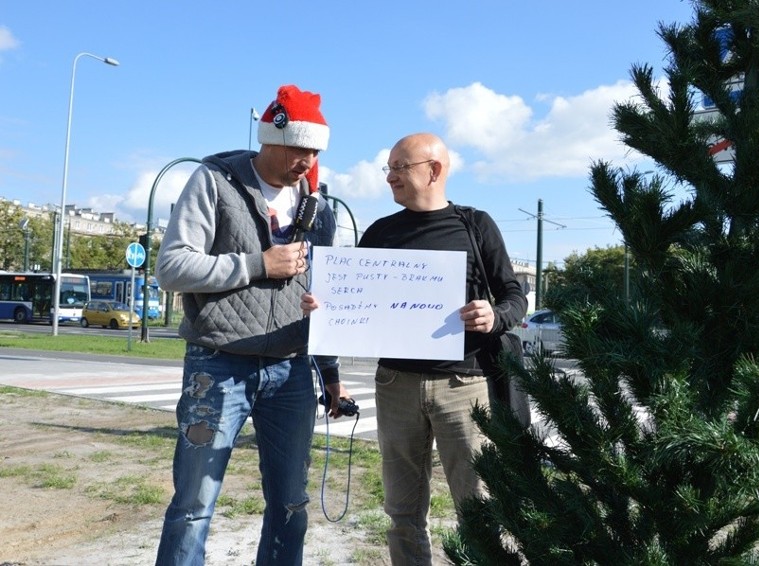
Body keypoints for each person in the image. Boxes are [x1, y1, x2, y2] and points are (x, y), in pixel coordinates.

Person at [302, 132, 527, 564]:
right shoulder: (381, 231)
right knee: (402, 511)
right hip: (395, 384)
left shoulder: (475, 225)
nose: (389, 178)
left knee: (480, 507)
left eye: (398, 168)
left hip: (465, 384)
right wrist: (325, 308)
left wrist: (494, 316)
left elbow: (515, 297)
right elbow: (354, 298)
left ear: (434, 170)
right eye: (387, 169)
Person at [154, 84, 349, 566]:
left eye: (315, 150)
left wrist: (330, 372)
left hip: (291, 373)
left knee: (290, 504)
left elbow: (323, 293)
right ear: (270, 135)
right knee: (194, 506)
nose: (307, 160)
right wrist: (258, 264)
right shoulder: (213, 181)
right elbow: (171, 267)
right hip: (219, 365)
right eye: (299, 148)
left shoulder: (317, 206)